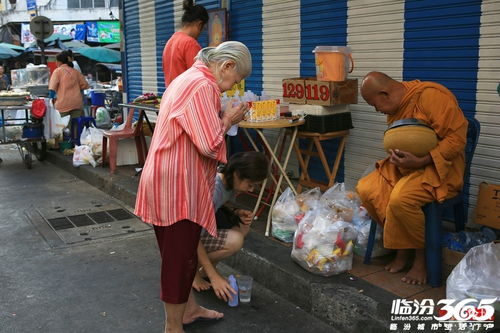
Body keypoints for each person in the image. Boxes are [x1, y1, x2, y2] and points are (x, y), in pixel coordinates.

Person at [134, 41, 252, 333]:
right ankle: (173, 327)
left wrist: (220, 116)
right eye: (234, 80)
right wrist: (228, 120)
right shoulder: (203, 86)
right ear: (226, 66)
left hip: (168, 181)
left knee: (179, 255)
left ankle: (188, 311)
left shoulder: (189, 78)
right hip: (177, 186)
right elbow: (210, 144)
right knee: (179, 261)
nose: (230, 88)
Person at [356, 72, 467, 285]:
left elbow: (457, 139)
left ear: (385, 93)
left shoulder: (430, 96)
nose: (377, 110)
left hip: (440, 167)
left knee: (401, 199)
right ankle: (402, 249)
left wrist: (423, 160)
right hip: (407, 167)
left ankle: (420, 259)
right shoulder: (399, 105)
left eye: (374, 104)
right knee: (367, 189)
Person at [193, 152, 269, 294]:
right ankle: (191, 272)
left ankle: (202, 269)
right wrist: (214, 276)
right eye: (250, 184)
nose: (251, 189)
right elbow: (192, 236)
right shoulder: (214, 189)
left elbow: (222, 204)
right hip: (188, 239)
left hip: (202, 231)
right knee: (235, 240)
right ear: (237, 174)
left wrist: (236, 211)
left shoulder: (228, 184)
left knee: (242, 226)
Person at [162, 0, 208, 87]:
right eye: (203, 29)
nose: (200, 33)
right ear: (199, 24)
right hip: (187, 98)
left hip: (172, 97)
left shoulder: (170, 41)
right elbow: (199, 79)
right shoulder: (190, 43)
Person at [48, 51, 89, 120]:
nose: (55, 63)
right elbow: (85, 85)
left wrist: (50, 100)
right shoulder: (75, 72)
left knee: (64, 128)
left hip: (63, 105)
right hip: (77, 104)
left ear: (59, 62)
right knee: (77, 126)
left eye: (56, 61)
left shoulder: (57, 71)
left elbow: (52, 89)